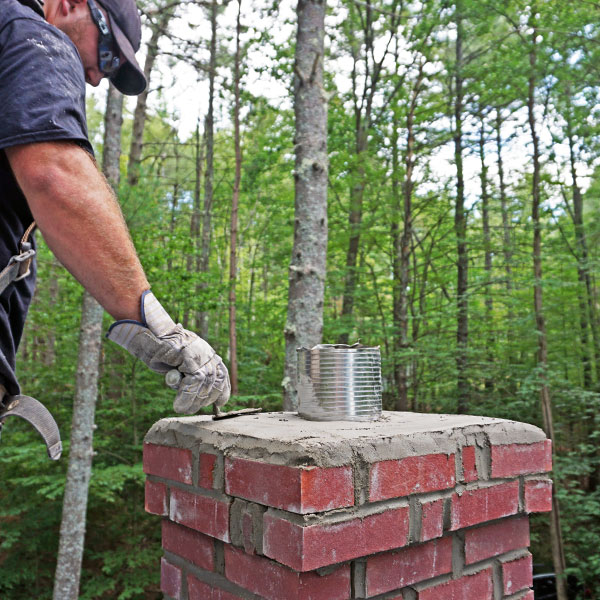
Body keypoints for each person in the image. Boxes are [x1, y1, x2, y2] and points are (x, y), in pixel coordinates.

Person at [0, 0, 230, 457]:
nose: (93, 77)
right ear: (68, 5)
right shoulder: (30, 36)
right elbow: (56, 177)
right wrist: (159, 328)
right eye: (105, 56)